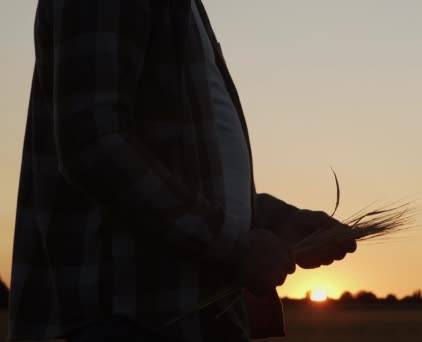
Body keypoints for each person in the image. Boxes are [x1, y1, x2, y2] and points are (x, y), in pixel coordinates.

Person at [8, 1, 356, 342]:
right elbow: (94, 146)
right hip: (131, 320)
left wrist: (272, 221)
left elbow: (182, 168)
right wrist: (235, 247)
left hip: (178, 319)